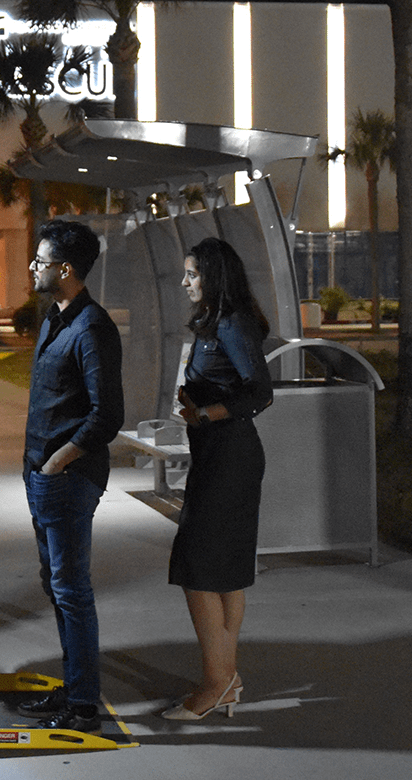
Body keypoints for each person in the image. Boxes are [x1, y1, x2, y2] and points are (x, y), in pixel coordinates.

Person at [17, 220, 124, 733]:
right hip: (42, 474)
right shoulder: (56, 320)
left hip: (67, 478)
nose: (32, 268)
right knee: (56, 585)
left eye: (39, 261)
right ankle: (74, 683)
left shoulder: (91, 328)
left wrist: (59, 460)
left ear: (65, 268)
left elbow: (107, 416)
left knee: (71, 588)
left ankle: (83, 705)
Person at [162, 237, 273, 721]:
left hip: (231, 455)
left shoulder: (232, 324)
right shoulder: (214, 326)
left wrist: (206, 413)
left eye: (193, 273)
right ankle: (224, 678)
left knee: (198, 568)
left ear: (214, 277)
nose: (185, 281)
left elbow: (261, 393)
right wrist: (197, 409)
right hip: (215, 454)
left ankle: (217, 682)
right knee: (222, 569)